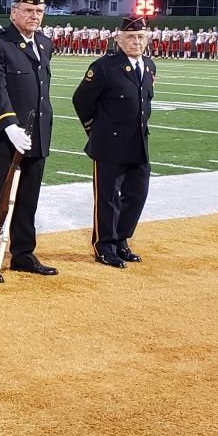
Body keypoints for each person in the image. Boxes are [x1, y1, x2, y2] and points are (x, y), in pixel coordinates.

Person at [0, 0, 57, 281]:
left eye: (39, 11)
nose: (34, 16)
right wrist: (9, 125)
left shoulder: (44, 43)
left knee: (28, 199)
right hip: (4, 137)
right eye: (28, 10)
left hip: (36, 135)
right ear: (13, 12)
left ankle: (23, 254)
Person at [72, 16, 155, 268]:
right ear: (118, 39)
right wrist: (94, 131)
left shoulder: (149, 66)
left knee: (137, 193)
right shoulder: (104, 67)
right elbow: (81, 100)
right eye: (130, 37)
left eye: (141, 37)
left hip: (138, 142)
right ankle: (104, 246)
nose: (136, 42)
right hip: (109, 144)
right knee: (107, 197)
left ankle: (121, 240)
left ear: (147, 39)